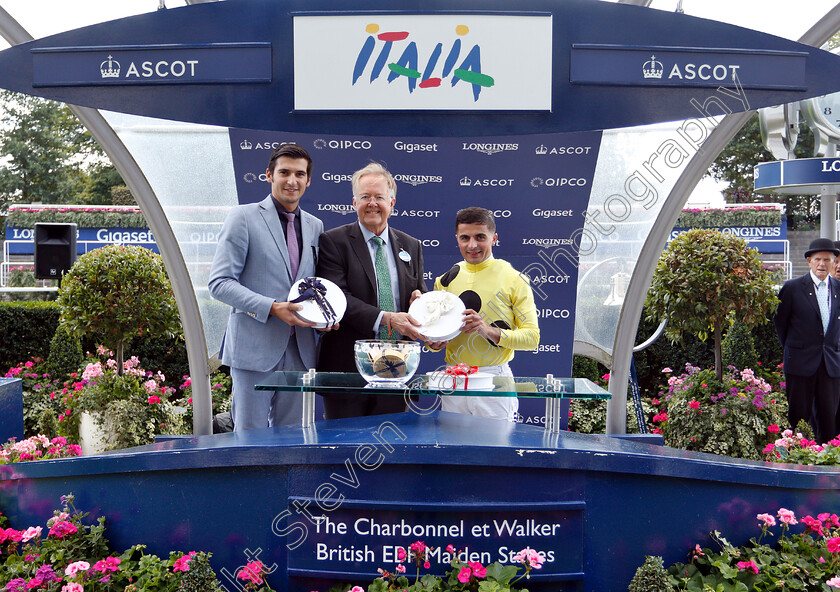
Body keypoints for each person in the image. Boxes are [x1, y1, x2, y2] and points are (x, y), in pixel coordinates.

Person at [209, 143, 327, 431]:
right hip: (253, 349)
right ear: (269, 175)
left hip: (300, 350)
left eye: (300, 174)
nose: (292, 180)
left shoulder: (315, 226)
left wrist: (326, 317)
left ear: (308, 180)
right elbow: (220, 283)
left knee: (292, 440)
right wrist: (272, 308)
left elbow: (315, 286)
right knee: (249, 439)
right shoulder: (243, 217)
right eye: (284, 172)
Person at [316, 162, 427, 419]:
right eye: (365, 197)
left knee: (391, 454)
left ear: (392, 202)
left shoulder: (411, 245)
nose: (372, 203)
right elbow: (337, 298)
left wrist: (422, 307)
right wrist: (386, 318)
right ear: (354, 202)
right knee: (343, 449)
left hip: (398, 370)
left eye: (379, 197)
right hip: (347, 371)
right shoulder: (334, 241)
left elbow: (419, 293)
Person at [429, 207, 540, 422]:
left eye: (480, 237)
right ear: (457, 239)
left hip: (495, 380)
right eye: (465, 238)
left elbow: (532, 338)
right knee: (454, 453)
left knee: (495, 453)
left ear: (494, 238)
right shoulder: (443, 281)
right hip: (453, 379)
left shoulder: (514, 279)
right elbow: (434, 339)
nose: (472, 245)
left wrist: (487, 330)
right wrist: (434, 342)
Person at [774, 237, 840, 443]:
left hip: (831, 364)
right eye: (818, 259)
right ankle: (799, 458)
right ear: (809, 261)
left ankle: (827, 459)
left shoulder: (838, 288)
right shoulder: (793, 288)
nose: (822, 264)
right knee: (799, 418)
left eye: (827, 260)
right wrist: (795, 349)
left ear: (833, 262)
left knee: (829, 418)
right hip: (800, 363)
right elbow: (780, 323)